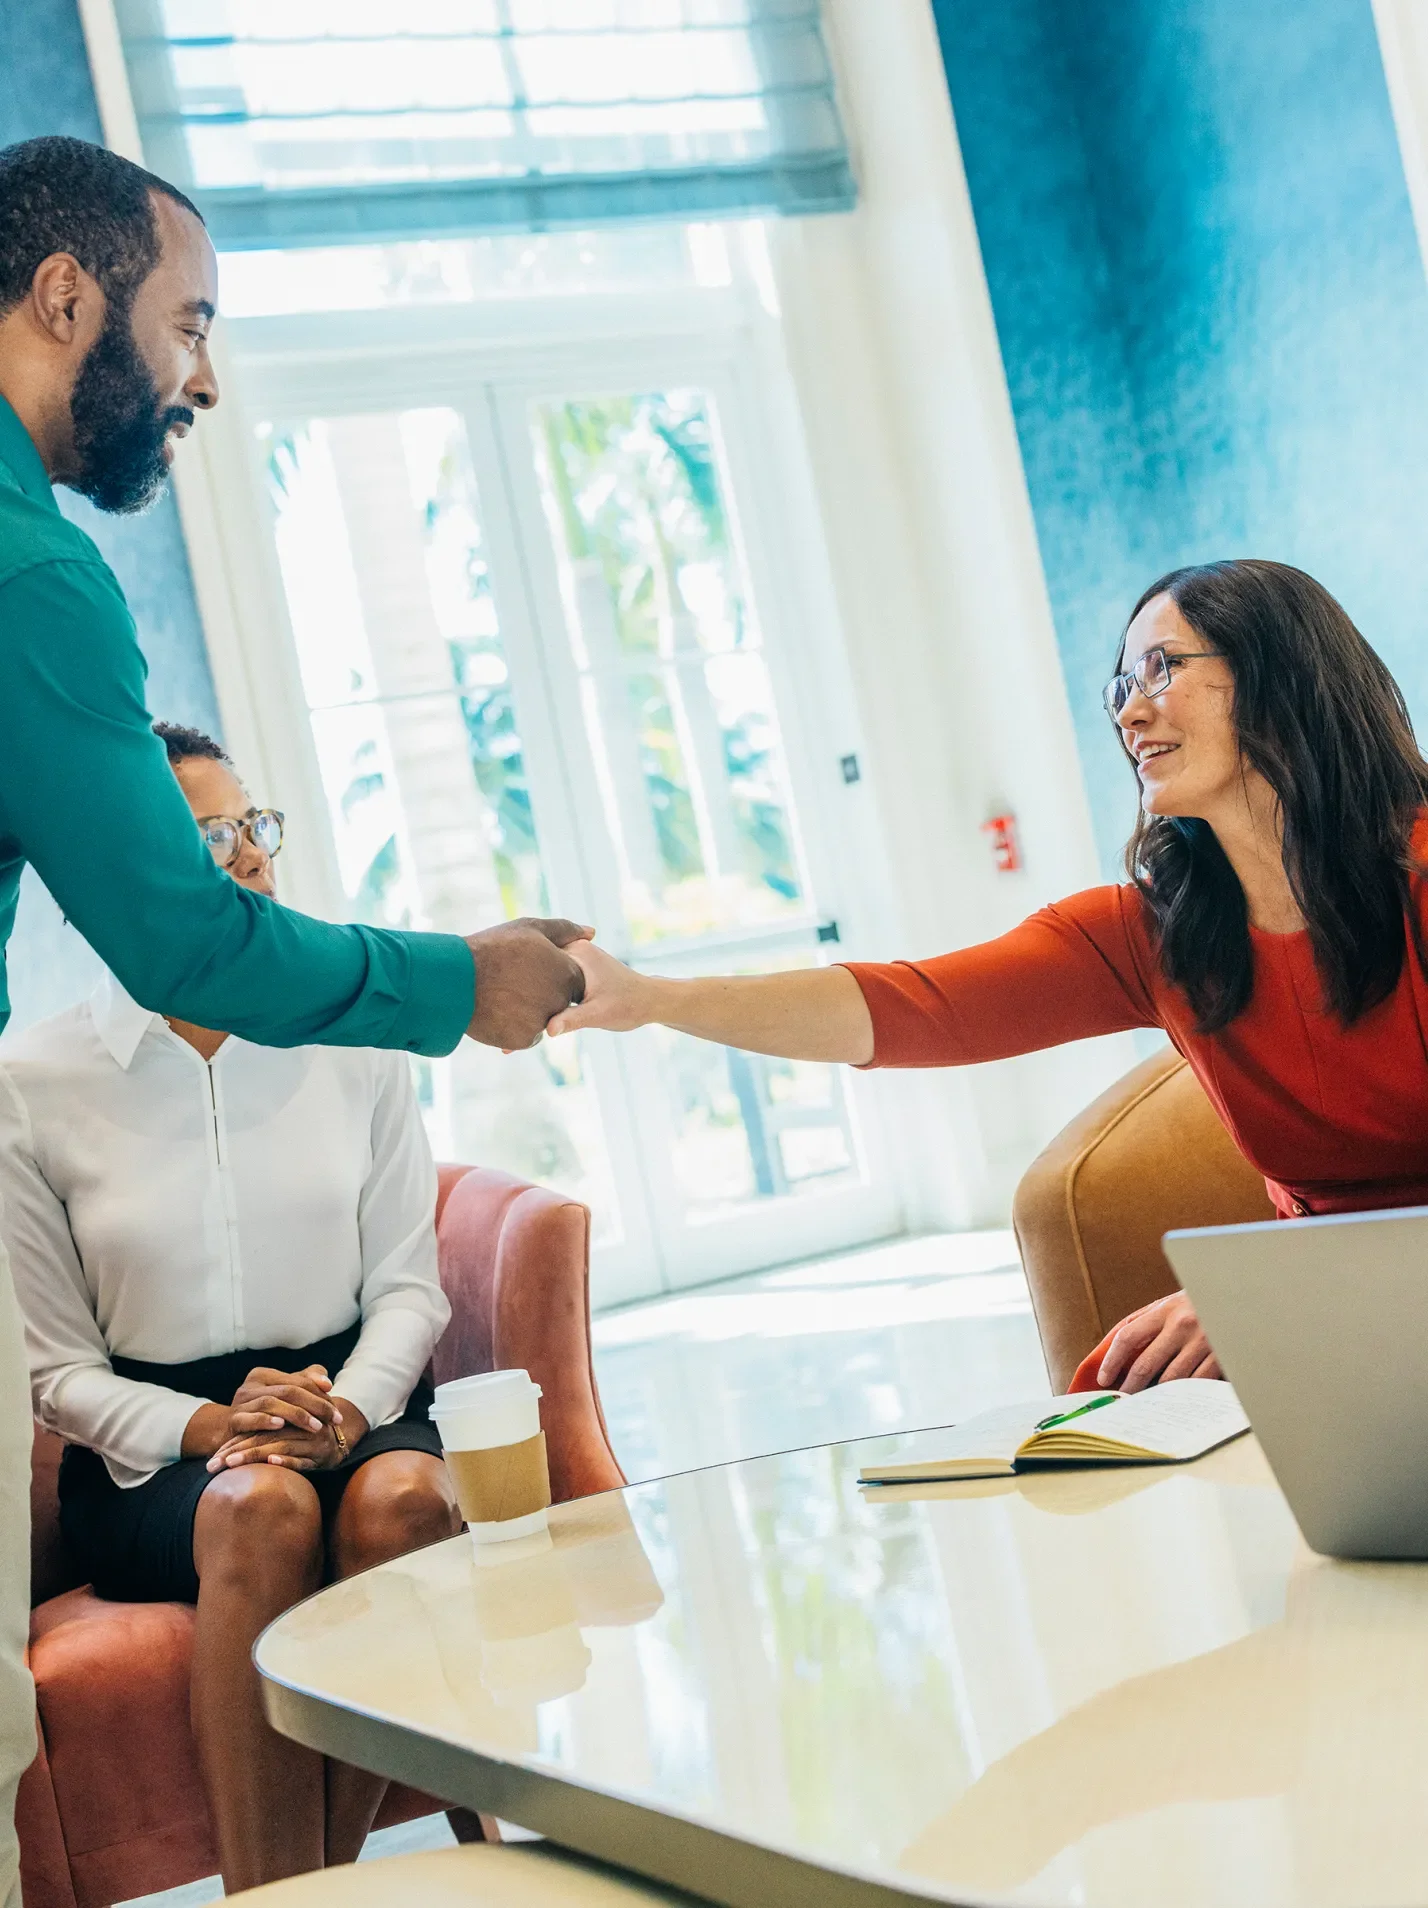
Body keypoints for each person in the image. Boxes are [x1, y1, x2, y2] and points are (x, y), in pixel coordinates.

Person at [0, 134, 584, 1904]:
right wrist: (455, 985)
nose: (201, 374)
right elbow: (185, 935)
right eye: (187, 322)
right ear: (62, 295)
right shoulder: (31, 573)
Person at [548, 559, 1428, 1394]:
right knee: (1122, 1403)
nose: (1129, 716)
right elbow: (909, 1008)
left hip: (1355, 1304)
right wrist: (654, 998)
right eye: (1121, 689)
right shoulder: (1155, 933)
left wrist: (1273, 1293)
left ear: (1283, 676)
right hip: (1326, 1328)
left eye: (1161, 670)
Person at [0, 722, 462, 1889]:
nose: (249, 855)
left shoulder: (355, 1033)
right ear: (117, 885)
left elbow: (410, 1285)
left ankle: (312, 1890)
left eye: (253, 823)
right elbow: (54, 1373)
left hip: (355, 1396)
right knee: (258, 1509)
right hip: (156, 1455)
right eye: (208, 838)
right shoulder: (30, 1086)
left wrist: (346, 1414)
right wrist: (210, 1429)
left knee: (406, 1502)